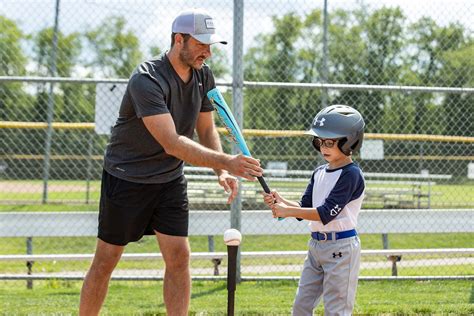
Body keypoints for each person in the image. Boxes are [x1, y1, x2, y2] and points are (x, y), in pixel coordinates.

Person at [79, 8, 263, 316]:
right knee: (106, 259)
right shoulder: (146, 79)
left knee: (179, 256)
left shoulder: (203, 73)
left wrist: (220, 170)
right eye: (202, 44)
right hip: (128, 177)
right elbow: (172, 142)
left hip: (169, 179)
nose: (208, 51)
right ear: (179, 40)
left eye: (211, 45)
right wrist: (228, 162)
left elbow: (205, 128)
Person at [263, 104, 365, 315]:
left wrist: (286, 211)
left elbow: (326, 213)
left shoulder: (351, 174)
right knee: (301, 306)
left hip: (341, 247)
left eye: (330, 142)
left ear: (350, 142)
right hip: (316, 246)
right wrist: (282, 202)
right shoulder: (319, 171)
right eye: (319, 142)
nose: (323, 147)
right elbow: (305, 208)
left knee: (335, 309)